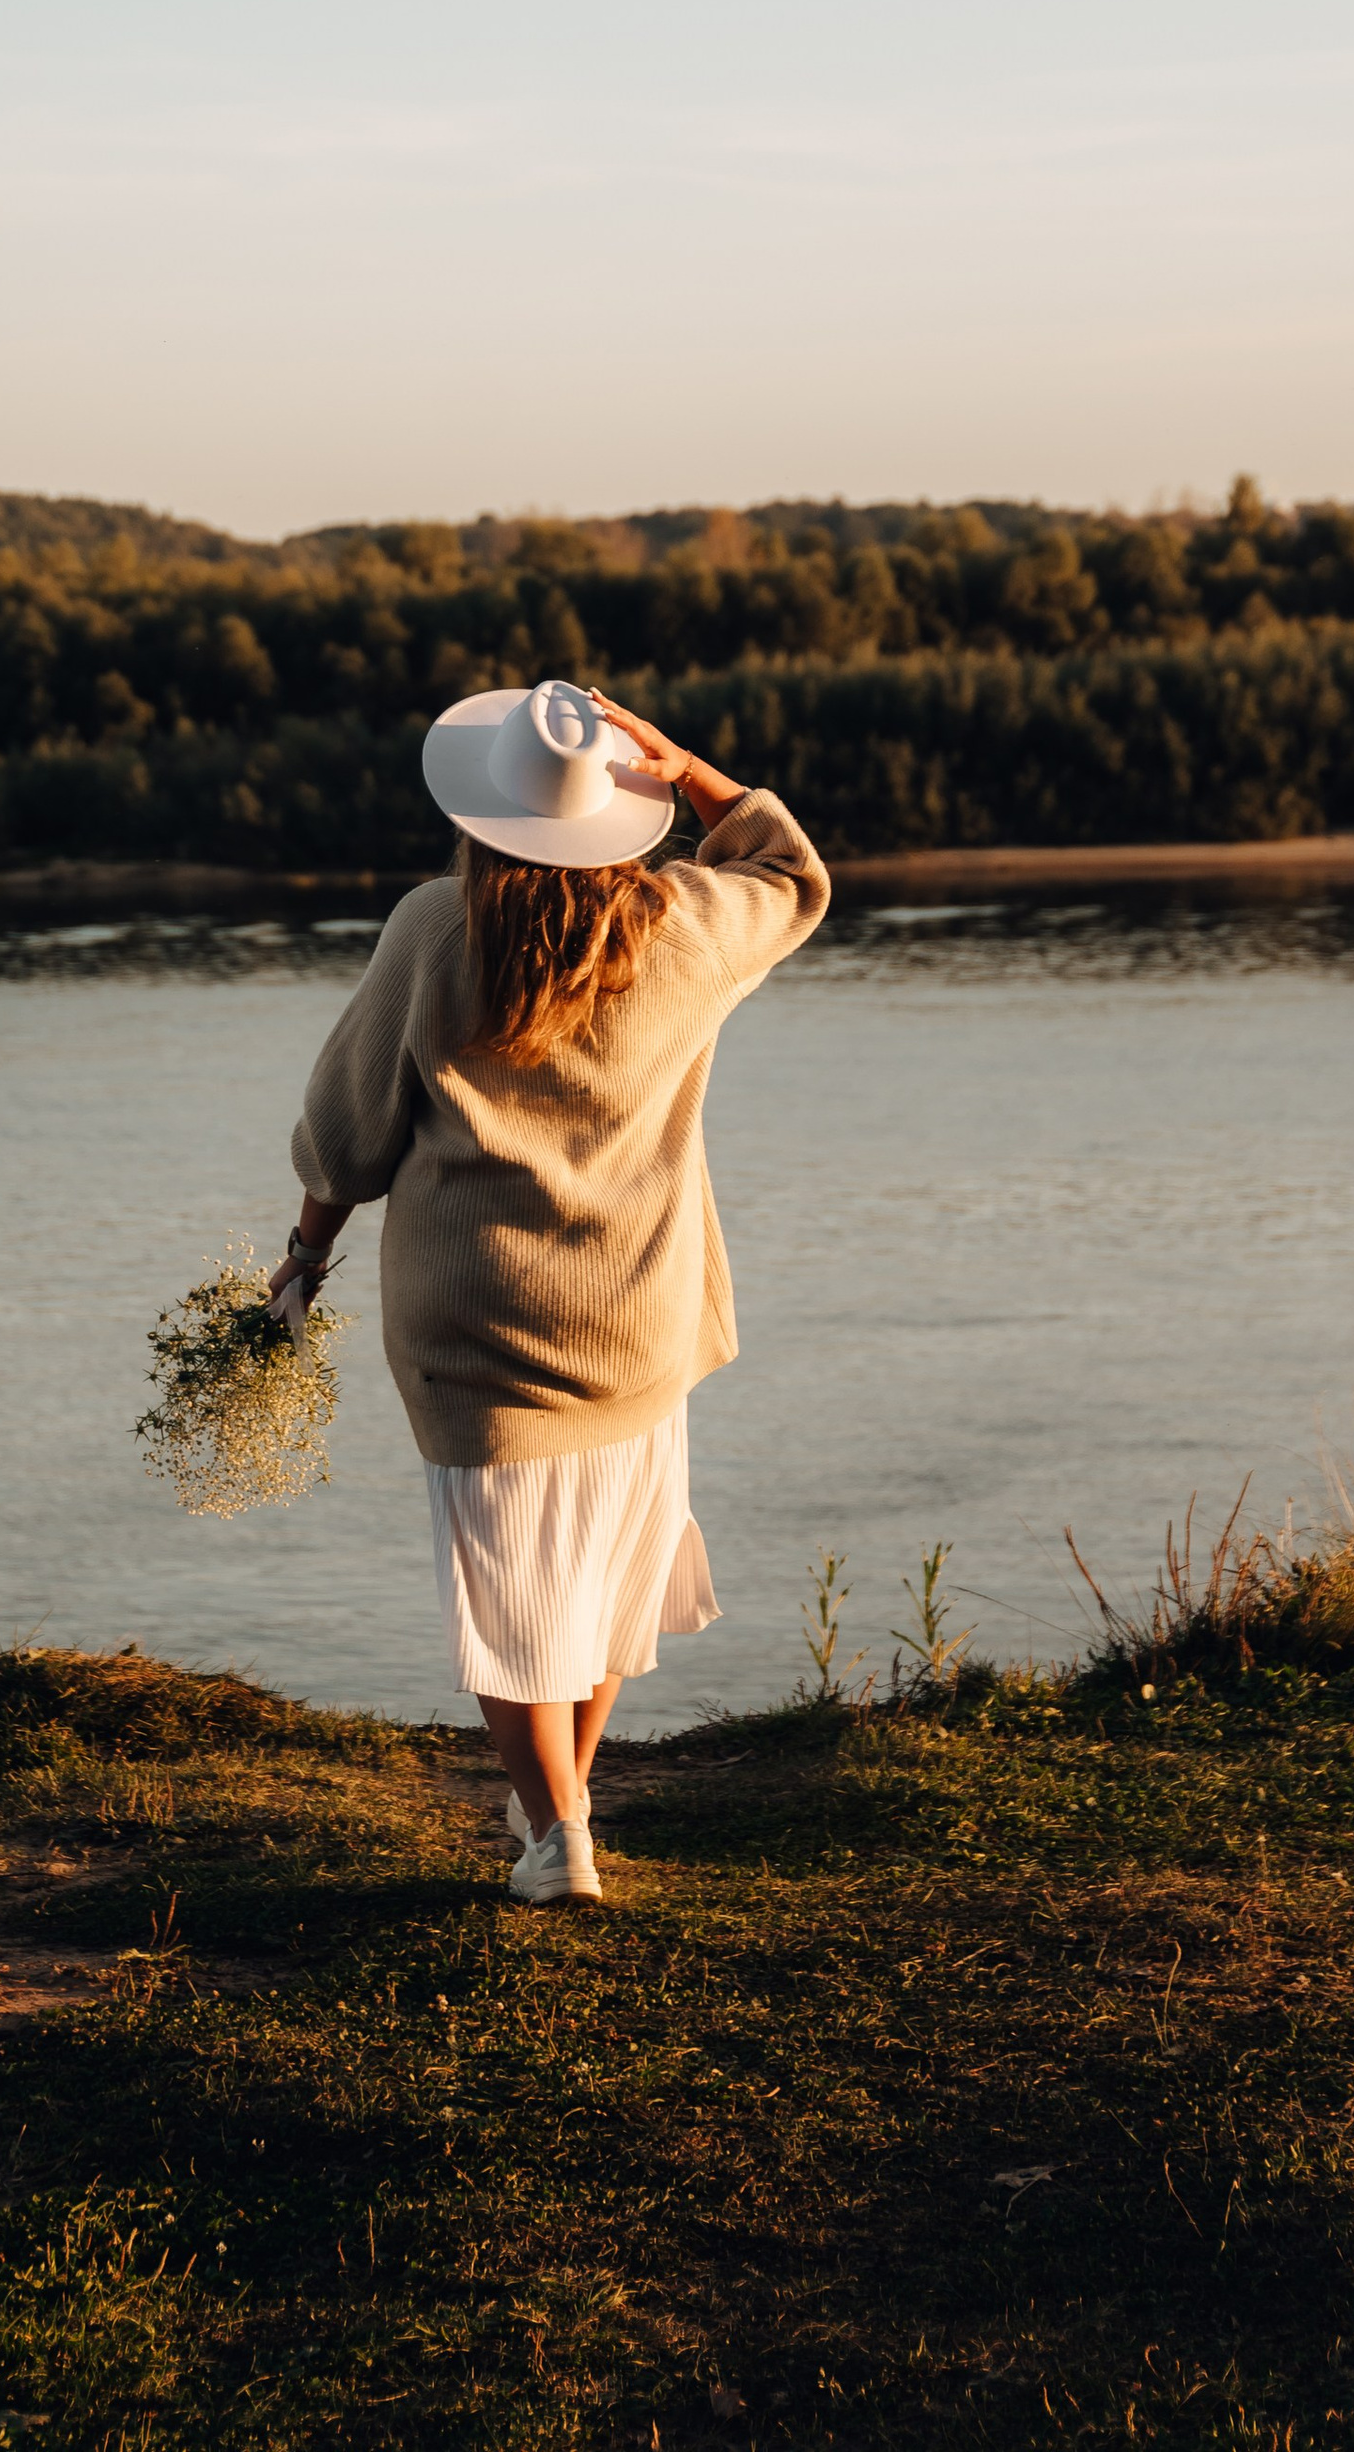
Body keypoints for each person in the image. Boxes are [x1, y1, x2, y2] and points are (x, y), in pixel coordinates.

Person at [270, 676, 829, 1908]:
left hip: (473, 1322)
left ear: (480, 816)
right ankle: (560, 1815)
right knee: (608, 1569)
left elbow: (348, 1134)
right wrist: (685, 765)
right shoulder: (685, 924)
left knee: (509, 1589)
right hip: (635, 1312)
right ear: (619, 812)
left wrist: (304, 1256)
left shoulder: (434, 928)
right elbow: (791, 872)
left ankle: (555, 1826)